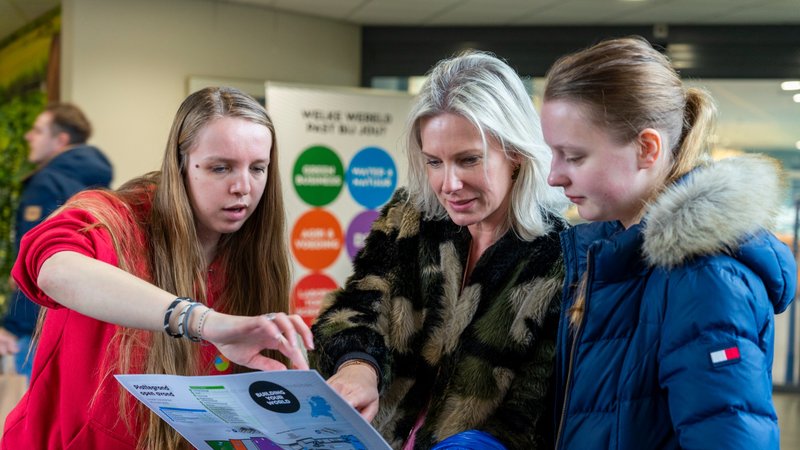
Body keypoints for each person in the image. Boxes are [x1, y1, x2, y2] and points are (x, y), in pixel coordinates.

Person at [2, 87, 314, 450]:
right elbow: (54, 269)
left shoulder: (251, 257)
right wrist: (205, 322)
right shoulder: (115, 218)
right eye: (220, 168)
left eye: (258, 168)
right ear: (180, 165)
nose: (243, 187)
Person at [541, 36, 797, 450]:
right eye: (553, 154)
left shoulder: (705, 278)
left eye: (573, 156)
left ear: (647, 148)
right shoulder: (619, 258)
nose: (555, 176)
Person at [311, 51, 568, 450]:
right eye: (434, 162)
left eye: (469, 160)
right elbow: (354, 308)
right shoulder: (410, 217)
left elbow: (536, 408)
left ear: (515, 155)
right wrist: (358, 365)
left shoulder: (559, 255)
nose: (449, 184)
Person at [0, 103, 112, 379]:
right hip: (84, 318)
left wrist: (13, 325)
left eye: (38, 131)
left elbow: (39, 266)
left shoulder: (47, 183)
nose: (29, 137)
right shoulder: (96, 184)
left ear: (60, 140)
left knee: (33, 415)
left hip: (39, 325)